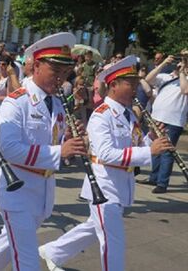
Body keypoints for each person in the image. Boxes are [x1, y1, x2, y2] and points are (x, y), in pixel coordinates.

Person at [38, 55, 174, 271]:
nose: (135, 89)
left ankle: (53, 251)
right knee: (113, 241)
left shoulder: (128, 113)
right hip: (105, 186)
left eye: (136, 84)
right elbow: (106, 154)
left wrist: (152, 140)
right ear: (113, 86)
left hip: (121, 185)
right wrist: (149, 151)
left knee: (93, 228)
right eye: (131, 84)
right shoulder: (102, 115)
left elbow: (134, 144)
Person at [0, 32, 87, 271]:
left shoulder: (57, 102)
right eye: (55, 70)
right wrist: (59, 151)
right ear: (36, 66)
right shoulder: (17, 101)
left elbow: (53, 139)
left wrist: (71, 139)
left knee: (5, 245)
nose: (61, 77)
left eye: (65, 72)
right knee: (27, 259)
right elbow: (9, 149)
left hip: (41, 192)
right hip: (17, 191)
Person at [138, 53, 188, 193]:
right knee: (156, 149)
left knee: (166, 152)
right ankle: (153, 177)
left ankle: (162, 183)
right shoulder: (165, 77)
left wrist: (183, 71)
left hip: (174, 121)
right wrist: (164, 63)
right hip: (157, 117)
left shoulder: (186, 78)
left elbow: (185, 90)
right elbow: (147, 79)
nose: (181, 63)